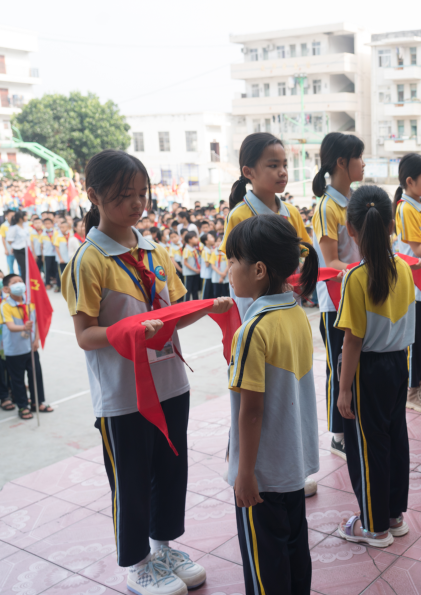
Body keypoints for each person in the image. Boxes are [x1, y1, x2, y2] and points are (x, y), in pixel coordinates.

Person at [62, 149, 232, 595]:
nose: (137, 205)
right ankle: (138, 562)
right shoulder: (89, 260)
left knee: (171, 470)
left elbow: (173, 313)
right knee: (132, 480)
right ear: (94, 195)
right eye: (124, 196)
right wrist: (130, 331)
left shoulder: (155, 250)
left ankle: (163, 546)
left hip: (171, 382)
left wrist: (206, 308)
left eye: (142, 194)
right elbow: (86, 334)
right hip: (124, 394)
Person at [225, 215, 320, 595]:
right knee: (294, 548)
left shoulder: (253, 330)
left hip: (262, 473)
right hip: (292, 464)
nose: (228, 269)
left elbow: (251, 411)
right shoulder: (296, 313)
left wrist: (245, 472)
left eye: (233, 260)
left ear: (259, 270)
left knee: (265, 566)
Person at [335, 186, 416, 547]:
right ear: (390, 225)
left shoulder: (356, 277)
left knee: (369, 448)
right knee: (395, 438)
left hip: (369, 370)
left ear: (351, 229)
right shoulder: (405, 268)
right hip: (400, 364)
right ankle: (395, 515)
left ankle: (374, 525)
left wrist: (344, 389)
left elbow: (352, 341)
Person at [310, 132, 365, 462]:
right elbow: (331, 263)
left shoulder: (353, 202)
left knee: (353, 364)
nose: (363, 164)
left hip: (357, 295)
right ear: (342, 162)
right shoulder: (327, 207)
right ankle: (339, 434)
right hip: (336, 301)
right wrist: (365, 269)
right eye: (358, 157)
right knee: (338, 364)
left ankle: (349, 420)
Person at [221, 133, 312, 318]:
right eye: (273, 165)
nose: (283, 171)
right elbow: (233, 266)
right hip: (253, 308)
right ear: (248, 172)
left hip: (289, 301)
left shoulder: (291, 213)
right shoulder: (239, 215)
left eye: (284, 164)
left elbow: (305, 253)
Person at [392, 153, 421, 414]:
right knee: (416, 340)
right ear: (409, 181)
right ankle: (411, 391)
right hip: (416, 286)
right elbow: (417, 249)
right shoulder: (406, 208)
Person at [1, 273, 48, 420]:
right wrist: (23, 327)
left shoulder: (30, 303)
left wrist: (36, 341)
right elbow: (10, 326)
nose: (19, 284)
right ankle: (22, 406)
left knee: (36, 376)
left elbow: (38, 322)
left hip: (30, 347)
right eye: (14, 283)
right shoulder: (5, 306)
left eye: (20, 281)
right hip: (14, 351)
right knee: (18, 380)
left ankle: (37, 402)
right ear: (7, 289)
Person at [6, 212, 29, 277]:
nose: (26, 217)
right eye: (25, 216)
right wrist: (15, 246)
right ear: (20, 218)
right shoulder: (14, 228)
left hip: (26, 249)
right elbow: (9, 240)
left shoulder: (26, 226)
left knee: (28, 266)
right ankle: (24, 282)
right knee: (23, 267)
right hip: (18, 250)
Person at [181, 231, 201, 300]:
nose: (197, 239)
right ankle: (186, 306)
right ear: (189, 240)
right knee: (187, 290)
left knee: (195, 290)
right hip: (189, 273)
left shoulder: (194, 249)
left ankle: (196, 304)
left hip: (195, 273)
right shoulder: (186, 249)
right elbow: (185, 263)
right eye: (195, 237)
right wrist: (195, 270)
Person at [199, 233, 215, 300]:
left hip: (211, 275)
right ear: (206, 241)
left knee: (210, 294)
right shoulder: (205, 251)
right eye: (211, 237)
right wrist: (212, 254)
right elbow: (207, 264)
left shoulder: (211, 249)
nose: (213, 238)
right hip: (206, 275)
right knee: (205, 294)